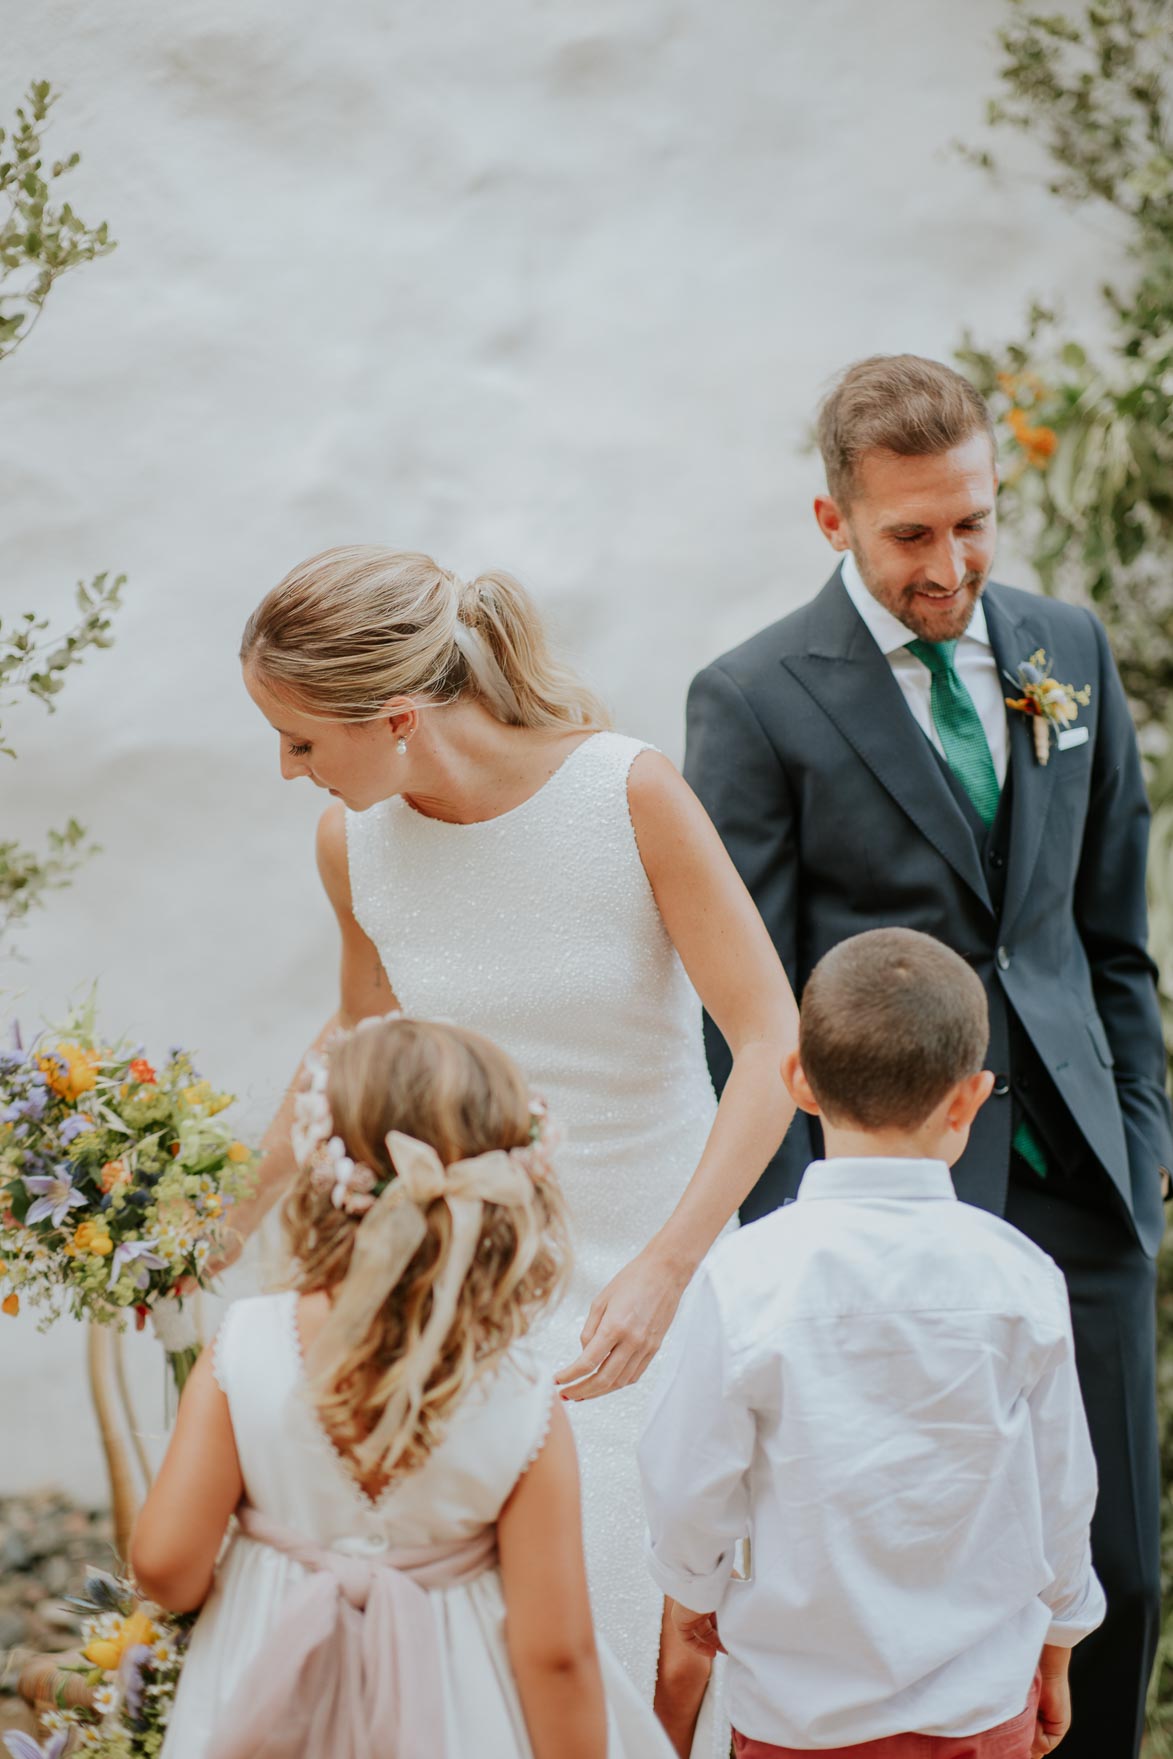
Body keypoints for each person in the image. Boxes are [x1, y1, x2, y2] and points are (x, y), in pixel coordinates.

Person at [228, 547, 799, 1757]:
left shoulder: (628, 794)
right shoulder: (355, 842)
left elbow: (769, 1043)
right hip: (470, 1303)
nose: (287, 770)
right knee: (493, 1661)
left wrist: (668, 1267)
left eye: (300, 741)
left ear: (392, 719)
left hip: (648, 1289)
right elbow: (356, 1036)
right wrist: (220, 1221)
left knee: (640, 1638)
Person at [684, 355, 1171, 1759]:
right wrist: (794, 1229)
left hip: (1084, 1171)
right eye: (910, 532)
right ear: (832, 521)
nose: (949, 561)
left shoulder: (1061, 650)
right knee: (926, 1586)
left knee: (1115, 1576)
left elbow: (1105, 933)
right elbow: (752, 1004)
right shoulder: (756, 695)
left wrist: (1142, 1138)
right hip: (895, 1199)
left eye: (974, 521)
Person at [133, 1015, 677, 1759]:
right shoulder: (522, 1398)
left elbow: (166, 1564)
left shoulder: (246, 1346)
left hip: (261, 1699)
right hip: (456, 1715)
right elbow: (555, 1655)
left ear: (325, 1173)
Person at [640, 927, 1106, 1759]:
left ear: (798, 1082)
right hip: (978, 1709)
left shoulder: (746, 1275)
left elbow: (687, 1479)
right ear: (968, 1099)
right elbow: (1061, 1492)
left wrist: (693, 1591)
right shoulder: (1020, 1279)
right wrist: (1060, 1639)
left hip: (797, 1718)